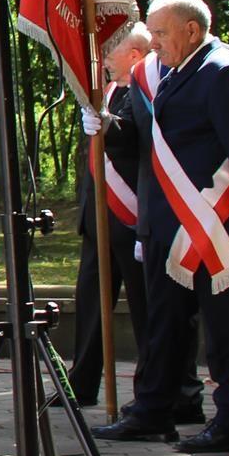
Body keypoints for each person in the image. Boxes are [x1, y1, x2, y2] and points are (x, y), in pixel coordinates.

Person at [97, 0, 229, 453]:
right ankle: (154, 411)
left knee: (226, 326)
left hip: (212, 221)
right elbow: (145, 140)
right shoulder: (170, 72)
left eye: (159, 32)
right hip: (167, 222)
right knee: (165, 322)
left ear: (191, 30)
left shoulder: (223, 72)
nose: (152, 42)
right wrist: (106, 125)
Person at [63, 22, 154, 410]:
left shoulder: (147, 90)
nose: (102, 59)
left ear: (134, 55)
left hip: (132, 217)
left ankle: (150, 393)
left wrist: (105, 122)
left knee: (144, 309)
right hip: (98, 218)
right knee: (90, 306)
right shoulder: (112, 90)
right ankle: (80, 384)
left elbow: (133, 135)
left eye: (110, 50)